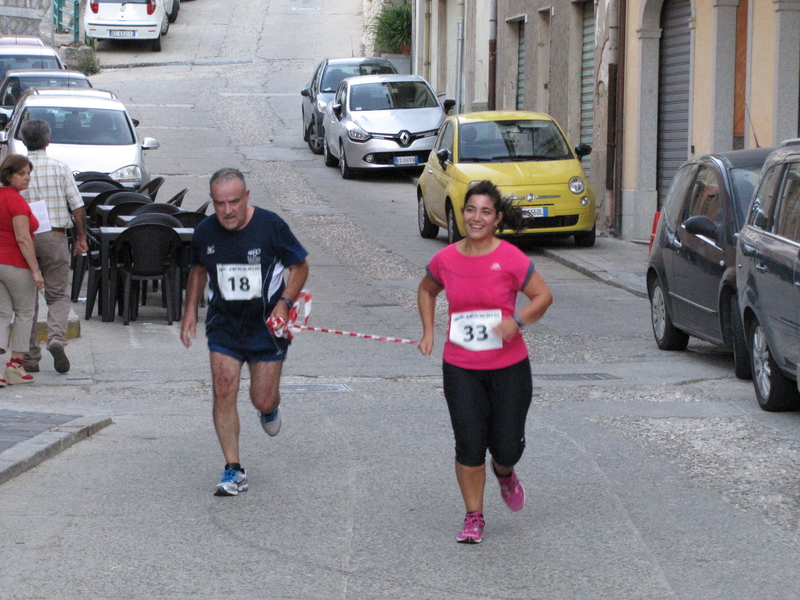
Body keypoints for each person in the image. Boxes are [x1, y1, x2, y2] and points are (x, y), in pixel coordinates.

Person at [417, 180, 553, 544]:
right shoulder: (445, 259)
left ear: (497, 219)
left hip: (509, 367)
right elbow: (427, 289)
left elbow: (543, 296)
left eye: (485, 212)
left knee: (507, 446)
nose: (476, 218)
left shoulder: (510, 257)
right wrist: (428, 331)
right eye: (470, 210)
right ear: (462, 214)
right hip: (460, 367)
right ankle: (474, 516)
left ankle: (504, 471)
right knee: (469, 443)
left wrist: (517, 321)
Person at [181, 168, 309, 497]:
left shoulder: (270, 226)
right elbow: (197, 269)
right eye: (219, 203)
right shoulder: (205, 233)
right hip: (224, 326)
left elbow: (300, 265)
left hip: (267, 328)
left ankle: (269, 408)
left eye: (234, 202)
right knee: (223, 388)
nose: (227, 210)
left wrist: (285, 301)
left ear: (247, 197)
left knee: (261, 397)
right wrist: (189, 312)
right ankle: (233, 469)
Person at [19, 119, 88, 374]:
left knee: (26, 299)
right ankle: (56, 340)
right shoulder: (60, 168)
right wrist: (81, 237)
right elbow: (77, 206)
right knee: (58, 294)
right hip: (55, 236)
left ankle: (29, 356)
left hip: (22, 238)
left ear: (24, 141)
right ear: (48, 141)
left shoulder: (16, 170)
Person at [0, 155, 45, 385]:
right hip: (15, 263)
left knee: (2, 313)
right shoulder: (16, 201)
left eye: (29, 173)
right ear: (9, 175)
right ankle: (15, 365)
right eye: (22, 174)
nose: (27, 178)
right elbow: (23, 238)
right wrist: (35, 270)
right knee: (25, 312)